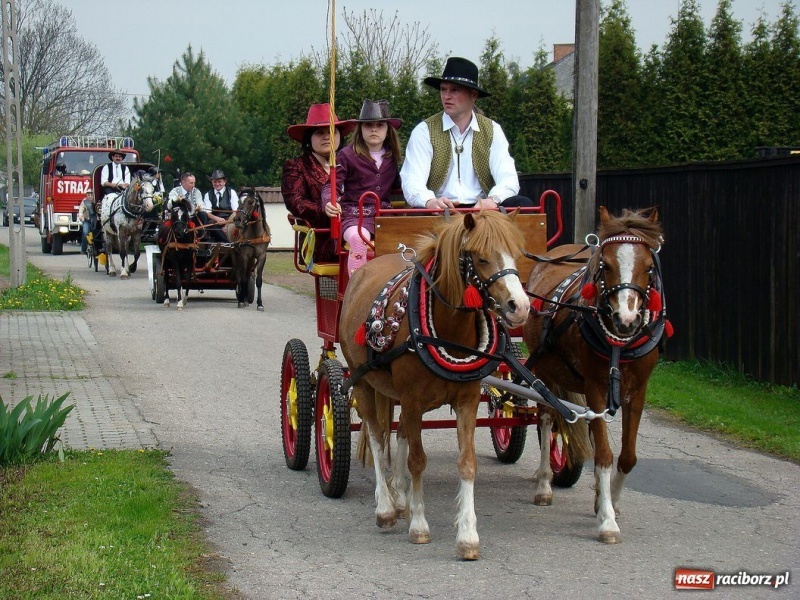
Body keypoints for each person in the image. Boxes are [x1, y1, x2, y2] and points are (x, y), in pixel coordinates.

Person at [400, 56, 533, 210]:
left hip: (483, 211)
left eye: (454, 90)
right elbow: (412, 180)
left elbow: (508, 178)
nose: (446, 96)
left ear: (473, 95)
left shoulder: (492, 130)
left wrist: (492, 200)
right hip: (439, 211)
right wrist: (430, 201)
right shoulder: (424, 131)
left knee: (523, 205)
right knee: (418, 210)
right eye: (443, 89)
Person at [323, 99, 402, 275]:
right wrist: (329, 202)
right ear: (361, 129)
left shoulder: (392, 158)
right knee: (359, 239)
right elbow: (332, 186)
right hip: (355, 217)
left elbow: (402, 187)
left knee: (407, 243)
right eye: (368, 125)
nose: (374, 129)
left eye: (380, 125)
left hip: (386, 217)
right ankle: (358, 286)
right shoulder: (347, 155)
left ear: (388, 130)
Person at [281, 102, 356, 263]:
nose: (327, 136)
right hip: (321, 238)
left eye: (332, 131)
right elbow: (296, 203)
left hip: (356, 230)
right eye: (320, 132)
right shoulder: (296, 167)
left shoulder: (352, 164)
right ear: (309, 139)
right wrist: (326, 210)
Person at [201, 169, 239, 243]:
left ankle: (229, 244)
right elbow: (208, 213)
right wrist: (217, 219)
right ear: (212, 182)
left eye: (219, 181)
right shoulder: (208, 195)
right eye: (215, 182)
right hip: (215, 221)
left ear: (224, 182)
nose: (217, 184)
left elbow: (235, 211)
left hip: (230, 220)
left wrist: (227, 224)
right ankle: (227, 244)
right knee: (210, 225)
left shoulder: (231, 192)